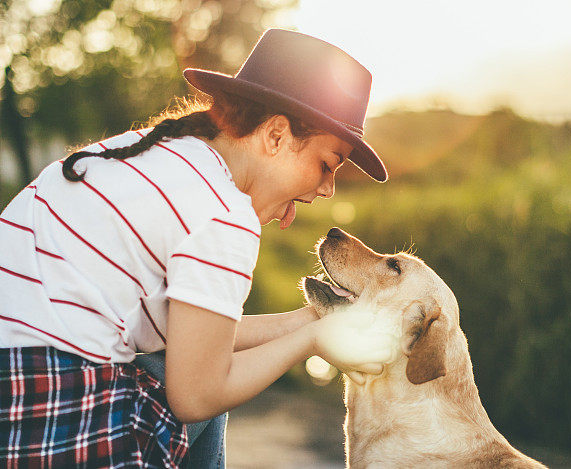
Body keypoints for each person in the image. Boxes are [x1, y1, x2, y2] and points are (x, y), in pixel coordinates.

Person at [0, 29, 389, 468]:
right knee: (212, 392)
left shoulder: (157, 158)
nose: (327, 189)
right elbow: (197, 393)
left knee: (203, 363)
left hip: (18, 393)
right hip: (44, 417)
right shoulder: (222, 211)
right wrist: (315, 341)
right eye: (326, 164)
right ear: (276, 135)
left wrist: (306, 320)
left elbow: (195, 338)